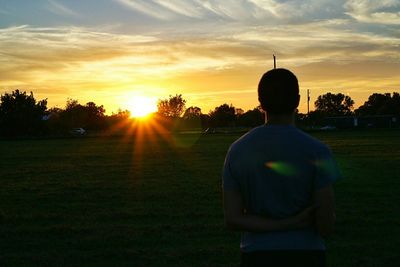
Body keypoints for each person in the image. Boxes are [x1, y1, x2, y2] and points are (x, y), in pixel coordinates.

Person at [222, 68, 340, 267]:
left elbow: (232, 219)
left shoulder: (237, 150)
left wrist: (279, 225)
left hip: (256, 255)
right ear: (298, 100)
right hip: (307, 254)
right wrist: (292, 223)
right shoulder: (319, 151)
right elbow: (326, 224)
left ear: (260, 102)